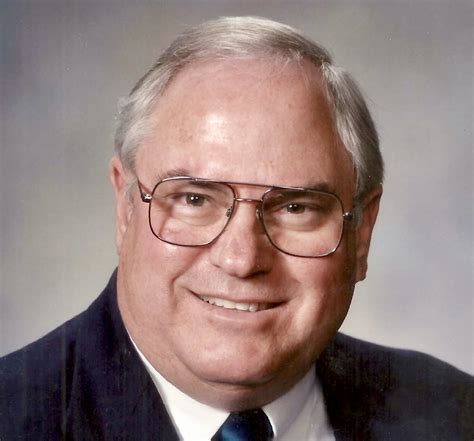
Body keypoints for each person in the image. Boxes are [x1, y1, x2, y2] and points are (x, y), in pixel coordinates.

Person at [0, 16, 472, 441]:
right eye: (194, 199)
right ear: (125, 210)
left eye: (296, 208)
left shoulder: (455, 414)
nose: (242, 259)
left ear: (361, 232)